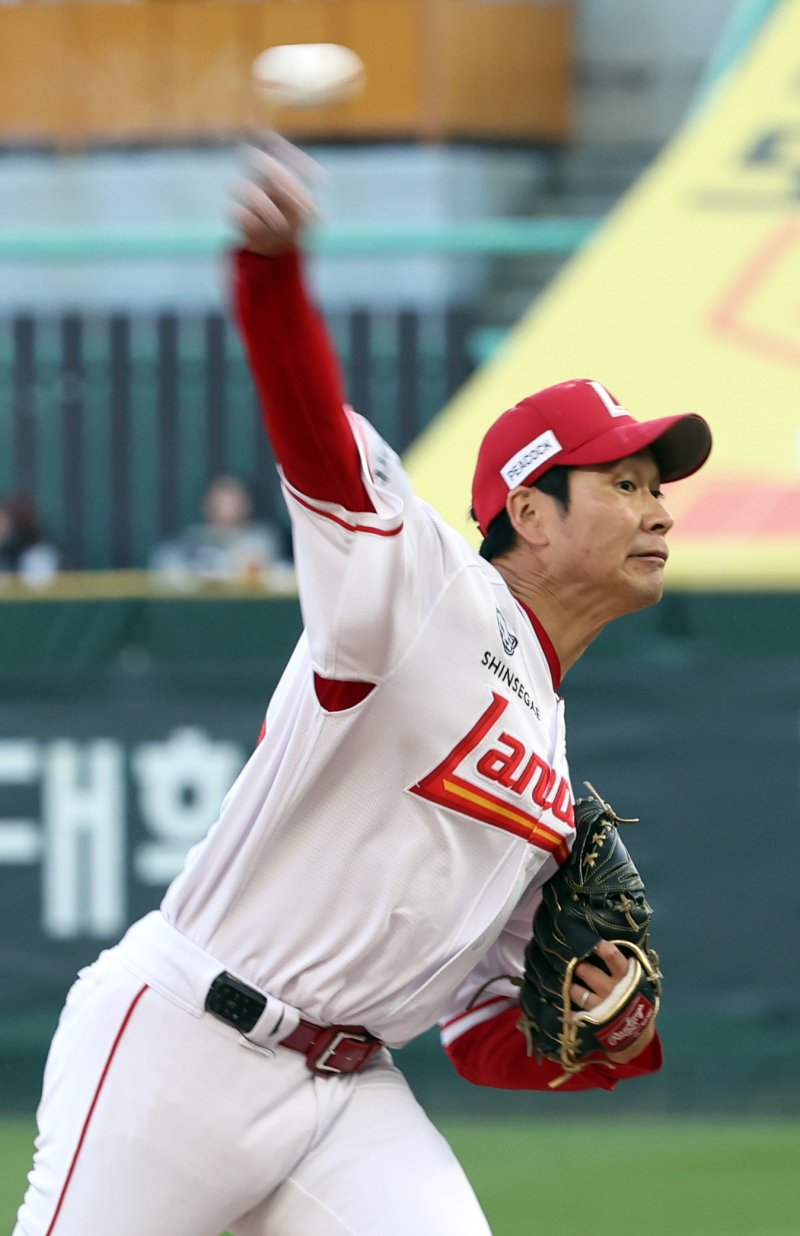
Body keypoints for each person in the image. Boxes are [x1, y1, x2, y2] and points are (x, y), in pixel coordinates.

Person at [14, 141, 712, 1236]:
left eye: (656, 488)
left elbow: (483, 1034)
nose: (658, 509)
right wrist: (272, 277)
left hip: (347, 1091)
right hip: (184, 1044)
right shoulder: (426, 593)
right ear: (529, 514)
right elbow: (321, 456)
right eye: (623, 483)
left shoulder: (548, 756)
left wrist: (610, 1033)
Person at [149, 472, 291, 589]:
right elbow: (165, 566)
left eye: (234, 503)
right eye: (220, 502)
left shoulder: (263, 539)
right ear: (208, 505)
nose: (228, 509)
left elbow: (283, 576)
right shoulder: (192, 541)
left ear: (247, 505)